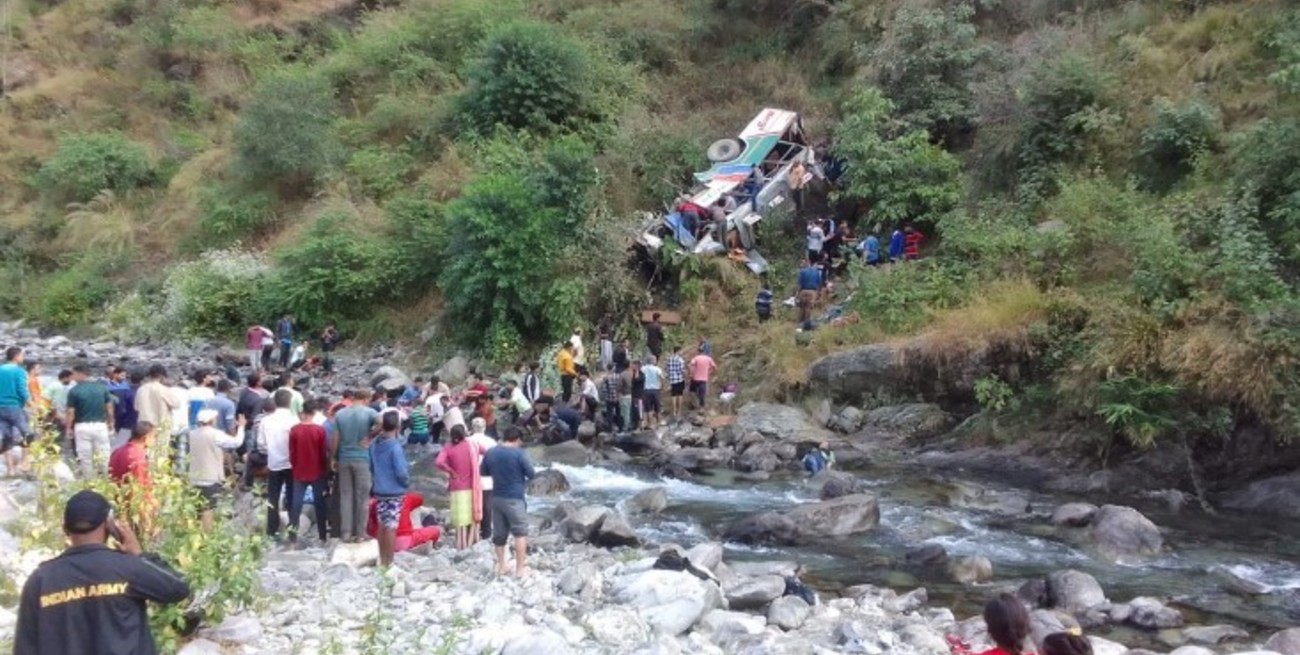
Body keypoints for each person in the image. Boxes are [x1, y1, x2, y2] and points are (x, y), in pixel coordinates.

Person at [14, 490, 190, 655]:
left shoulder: (39, 581)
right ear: (109, 524)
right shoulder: (128, 568)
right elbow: (179, 587)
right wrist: (140, 554)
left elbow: (24, 649)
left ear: (65, 528)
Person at [480, 427, 535, 577]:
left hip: (496, 498)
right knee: (520, 532)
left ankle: (502, 566)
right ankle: (519, 570)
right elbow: (531, 474)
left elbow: (483, 472)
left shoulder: (491, 452)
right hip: (514, 498)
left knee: (499, 534)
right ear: (517, 440)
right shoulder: (519, 454)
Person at [188, 409, 244, 531]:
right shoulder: (216, 434)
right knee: (208, 508)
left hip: (193, 476)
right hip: (210, 477)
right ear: (211, 420)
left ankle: (195, 537)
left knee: (196, 509)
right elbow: (236, 442)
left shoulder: (191, 434)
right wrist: (241, 427)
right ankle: (207, 540)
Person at [333, 389, 378, 543]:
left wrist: (333, 457)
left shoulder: (340, 414)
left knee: (346, 496)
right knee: (362, 497)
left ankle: (345, 533)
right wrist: (370, 436)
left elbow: (336, 438)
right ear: (366, 398)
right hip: (361, 459)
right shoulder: (369, 412)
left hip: (344, 458)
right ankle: (360, 533)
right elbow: (383, 422)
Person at [369, 411, 408, 567]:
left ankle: (381, 558)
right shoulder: (395, 447)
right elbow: (401, 471)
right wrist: (405, 483)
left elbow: (371, 466)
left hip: (379, 490)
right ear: (397, 426)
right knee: (391, 526)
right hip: (394, 491)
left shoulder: (374, 445)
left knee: (381, 525)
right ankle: (389, 562)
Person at [287, 403, 329, 547]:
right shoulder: (320, 430)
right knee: (319, 503)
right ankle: (323, 535)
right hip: (317, 470)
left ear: (302, 413)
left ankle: (292, 536)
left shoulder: (294, 430)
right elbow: (323, 453)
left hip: (299, 471)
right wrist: (325, 470)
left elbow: (292, 452)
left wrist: (294, 465)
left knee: (296, 503)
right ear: (314, 413)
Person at [256, 389, 296, 540]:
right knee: (292, 496)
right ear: (290, 402)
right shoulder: (294, 420)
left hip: (274, 462)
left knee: (273, 497)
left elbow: (261, 444)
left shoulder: (266, 421)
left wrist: (271, 450)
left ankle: (272, 530)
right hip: (292, 463)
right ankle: (293, 529)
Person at [434, 424, 481, 550]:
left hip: (456, 485)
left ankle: (460, 545)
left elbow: (438, 462)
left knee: (460, 519)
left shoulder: (448, 447)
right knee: (471, 516)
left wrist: (451, 471)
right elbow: (486, 450)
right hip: (471, 484)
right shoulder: (471, 445)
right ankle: (470, 544)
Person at [65, 364, 116, 477]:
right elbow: (109, 407)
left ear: (80, 373)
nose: (72, 377)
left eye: (73, 374)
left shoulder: (74, 391)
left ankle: (89, 481)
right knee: (104, 454)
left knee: (85, 457)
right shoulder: (101, 387)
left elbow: (70, 412)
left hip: (81, 426)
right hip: (100, 425)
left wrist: (68, 428)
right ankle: (106, 479)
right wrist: (111, 422)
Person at [109, 422, 157, 537]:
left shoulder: (118, 451)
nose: (155, 441)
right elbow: (139, 491)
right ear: (145, 438)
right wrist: (147, 520)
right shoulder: (137, 457)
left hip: (118, 502)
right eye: (154, 437)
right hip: (133, 509)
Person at [365, 493, 440, 553]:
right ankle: (431, 547)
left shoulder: (373, 504)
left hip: (380, 544)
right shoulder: (405, 498)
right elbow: (420, 499)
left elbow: (371, 530)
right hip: (403, 542)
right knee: (435, 530)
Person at [0, 347, 32, 475]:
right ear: (16, 356)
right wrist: (31, 403)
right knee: (28, 434)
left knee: (7, 437)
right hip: (14, 406)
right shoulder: (19, 371)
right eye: (22, 355)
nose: (23, 358)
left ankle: (10, 469)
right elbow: (22, 389)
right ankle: (25, 464)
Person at [467, 418, 497, 541]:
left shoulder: (467, 441)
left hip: (470, 477)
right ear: (484, 428)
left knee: (470, 504)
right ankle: (486, 532)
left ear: (472, 427)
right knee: (487, 505)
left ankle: (470, 532)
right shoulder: (491, 442)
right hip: (487, 477)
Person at [134, 365, 177, 435]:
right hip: (160, 426)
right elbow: (176, 404)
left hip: (144, 427)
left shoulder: (141, 389)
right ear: (162, 376)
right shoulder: (163, 389)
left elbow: (136, 407)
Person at [107, 367, 138, 448]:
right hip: (114, 412)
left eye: (125, 376)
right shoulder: (108, 386)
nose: (124, 377)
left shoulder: (126, 385)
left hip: (125, 413)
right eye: (122, 375)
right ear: (115, 374)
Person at [641, 355, 664, 429]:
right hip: (656, 390)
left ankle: (649, 424)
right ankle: (659, 423)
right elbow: (662, 378)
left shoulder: (642, 369)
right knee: (657, 407)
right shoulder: (657, 369)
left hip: (646, 390)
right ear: (653, 361)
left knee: (648, 408)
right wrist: (662, 386)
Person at [796, 259, 822, 324]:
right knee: (808, 308)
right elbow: (819, 284)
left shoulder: (802, 271)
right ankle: (807, 323)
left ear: (808, 263)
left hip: (803, 291)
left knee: (802, 307)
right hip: (812, 292)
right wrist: (818, 294)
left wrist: (797, 293)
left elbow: (799, 284)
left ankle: (800, 322)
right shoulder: (816, 272)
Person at [665, 346, 687, 419]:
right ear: (678, 351)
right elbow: (682, 370)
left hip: (672, 379)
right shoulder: (680, 360)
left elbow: (667, 369)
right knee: (680, 395)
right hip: (679, 379)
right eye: (681, 351)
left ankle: (674, 410)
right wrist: (685, 375)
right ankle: (679, 410)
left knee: (673, 395)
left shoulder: (670, 359)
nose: (682, 352)